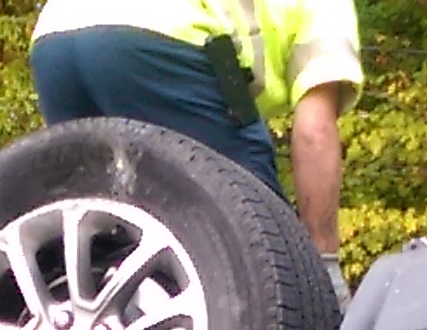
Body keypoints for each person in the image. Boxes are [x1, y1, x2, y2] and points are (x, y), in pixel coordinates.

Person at [29, 0, 361, 303]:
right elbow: (314, 132)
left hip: (55, 37)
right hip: (157, 35)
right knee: (262, 246)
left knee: (103, 228)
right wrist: (323, 267)